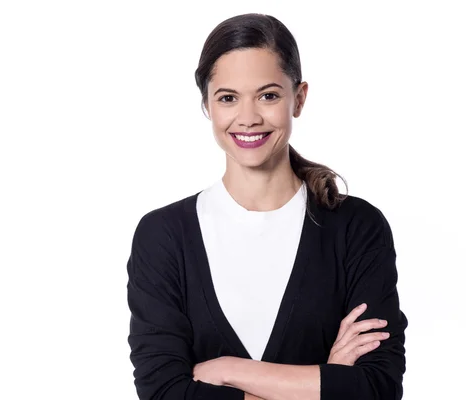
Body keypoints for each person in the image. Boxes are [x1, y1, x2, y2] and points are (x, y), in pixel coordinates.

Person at [126, 13, 407, 400]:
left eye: (268, 95)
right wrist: (323, 381)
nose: (248, 118)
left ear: (300, 98)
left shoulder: (356, 227)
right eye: (228, 98)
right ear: (207, 105)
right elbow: (162, 392)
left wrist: (229, 370)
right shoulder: (163, 236)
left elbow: (377, 388)